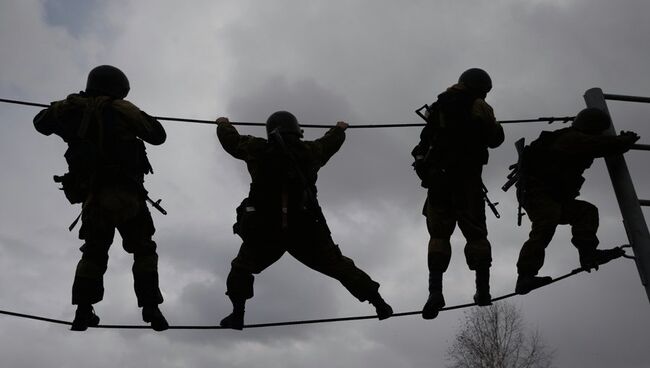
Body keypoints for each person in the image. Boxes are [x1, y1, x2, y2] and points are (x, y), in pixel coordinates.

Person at [215, 111, 393, 330]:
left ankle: (238, 315)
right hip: (306, 229)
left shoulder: (257, 148)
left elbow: (231, 141)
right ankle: (380, 304)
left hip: (266, 230)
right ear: (296, 130)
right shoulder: (309, 151)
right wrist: (339, 128)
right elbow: (330, 143)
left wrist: (223, 124)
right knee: (339, 266)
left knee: (240, 269)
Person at [33, 65, 169, 331]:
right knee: (143, 249)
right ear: (117, 88)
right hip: (128, 196)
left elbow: (40, 122)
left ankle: (83, 311)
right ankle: (151, 307)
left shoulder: (70, 108)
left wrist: (69, 104)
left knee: (94, 253)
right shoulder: (122, 108)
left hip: (94, 199)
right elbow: (158, 135)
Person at [411, 68, 504, 319]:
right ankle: (482, 291)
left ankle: (435, 293)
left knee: (439, 236)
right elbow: (496, 139)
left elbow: (422, 143)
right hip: (467, 182)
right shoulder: (480, 106)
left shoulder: (438, 105)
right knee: (476, 235)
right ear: (481, 87)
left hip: (438, 182)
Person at [514, 107, 640, 294]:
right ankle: (525, 275)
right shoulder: (571, 138)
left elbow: (599, 143)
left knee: (586, 212)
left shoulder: (574, 137)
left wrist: (620, 141)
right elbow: (601, 145)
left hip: (552, 196)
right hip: (537, 193)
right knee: (547, 222)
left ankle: (588, 253)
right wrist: (625, 140)